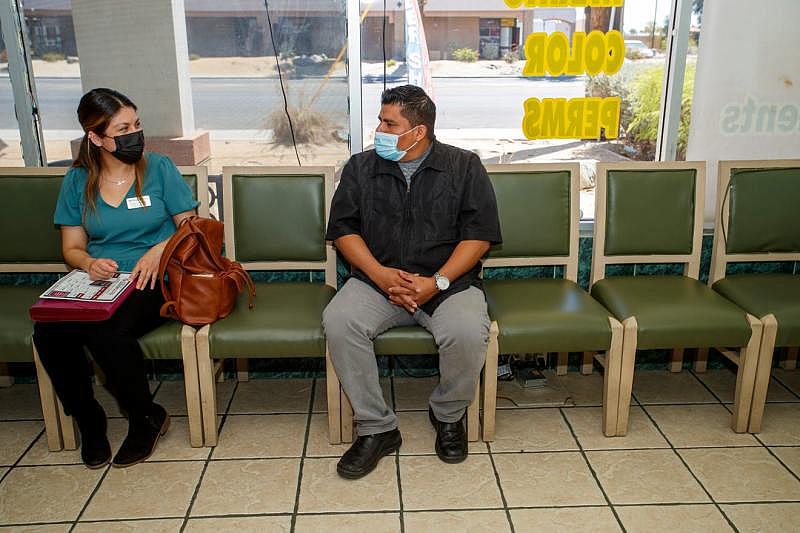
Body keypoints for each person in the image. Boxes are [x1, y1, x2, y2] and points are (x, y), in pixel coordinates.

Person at [323, 85, 502, 479]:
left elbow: (479, 235)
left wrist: (435, 282)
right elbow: (343, 231)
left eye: (389, 123)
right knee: (340, 321)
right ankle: (377, 428)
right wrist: (380, 274)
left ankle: (448, 415)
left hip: (447, 284)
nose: (379, 129)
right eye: (380, 120)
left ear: (418, 131)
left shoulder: (464, 166)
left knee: (468, 332)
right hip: (377, 281)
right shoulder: (360, 168)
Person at [32, 88, 198, 469]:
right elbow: (71, 247)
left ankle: (144, 417)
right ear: (96, 137)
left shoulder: (159, 168)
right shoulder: (77, 181)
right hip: (102, 280)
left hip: (155, 277)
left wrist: (160, 249)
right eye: (122, 128)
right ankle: (90, 420)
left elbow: (190, 228)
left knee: (107, 330)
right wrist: (89, 263)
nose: (134, 134)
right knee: (50, 332)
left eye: (136, 124)